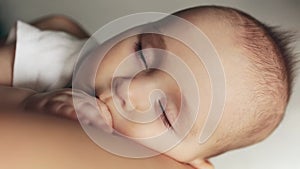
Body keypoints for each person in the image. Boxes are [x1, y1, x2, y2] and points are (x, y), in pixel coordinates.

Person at [0, 6, 296, 169]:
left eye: (165, 113)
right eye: (142, 52)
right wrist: (35, 104)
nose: (130, 89)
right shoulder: (57, 56)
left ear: (193, 163)